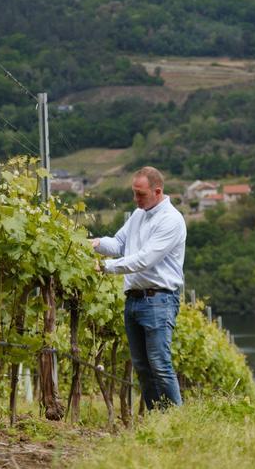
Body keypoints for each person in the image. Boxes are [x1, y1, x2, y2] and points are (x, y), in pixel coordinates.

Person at [90, 166, 186, 409]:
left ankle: (176, 418)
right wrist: (96, 243)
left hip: (158, 300)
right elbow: (120, 244)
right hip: (134, 299)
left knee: (159, 364)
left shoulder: (171, 220)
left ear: (157, 191)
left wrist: (106, 267)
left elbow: (144, 259)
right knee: (142, 366)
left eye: (140, 194)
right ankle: (157, 419)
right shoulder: (138, 214)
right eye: (134, 193)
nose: (136, 199)